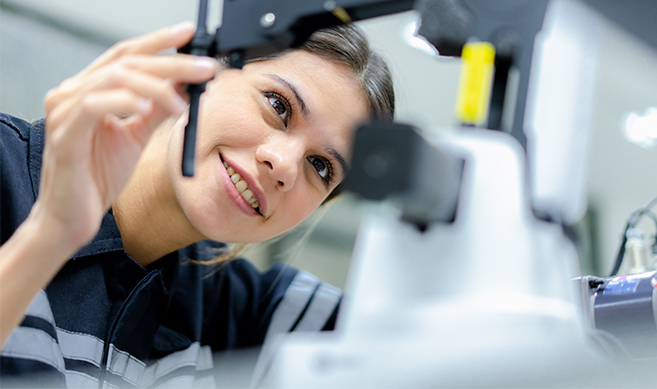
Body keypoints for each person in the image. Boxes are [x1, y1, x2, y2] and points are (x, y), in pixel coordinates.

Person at [0, 21, 394, 387]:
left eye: (321, 168)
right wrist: (46, 237)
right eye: (278, 105)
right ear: (200, 73)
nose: (285, 165)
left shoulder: (239, 312)